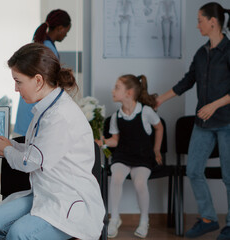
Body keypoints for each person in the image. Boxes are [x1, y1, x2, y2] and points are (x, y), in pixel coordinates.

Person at [0, 43, 105, 239]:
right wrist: (5, 146)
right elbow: (36, 150)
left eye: (18, 81)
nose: (15, 88)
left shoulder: (59, 115)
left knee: (18, 234)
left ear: (38, 80)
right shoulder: (45, 108)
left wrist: (6, 150)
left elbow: (31, 161)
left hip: (66, 198)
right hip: (44, 192)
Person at [156, 2, 230, 239]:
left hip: (226, 122)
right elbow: (187, 82)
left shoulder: (229, 51)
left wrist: (215, 104)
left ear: (213, 22)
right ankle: (208, 218)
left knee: (229, 176)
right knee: (195, 171)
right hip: (204, 124)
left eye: (200, 20)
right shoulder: (201, 53)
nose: (197, 25)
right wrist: (159, 100)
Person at [96, 74, 163, 238]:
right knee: (117, 178)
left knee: (139, 182)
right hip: (123, 156)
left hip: (142, 157)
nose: (113, 90)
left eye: (117, 87)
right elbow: (115, 141)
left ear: (129, 93)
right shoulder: (116, 116)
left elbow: (159, 128)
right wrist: (102, 141)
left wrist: (156, 150)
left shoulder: (146, 112)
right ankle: (115, 218)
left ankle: (144, 220)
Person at [13, 9, 71, 137]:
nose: (65, 36)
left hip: (27, 111)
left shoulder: (43, 46)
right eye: (66, 32)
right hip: (33, 109)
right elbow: (50, 86)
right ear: (60, 28)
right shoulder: (48, 51)